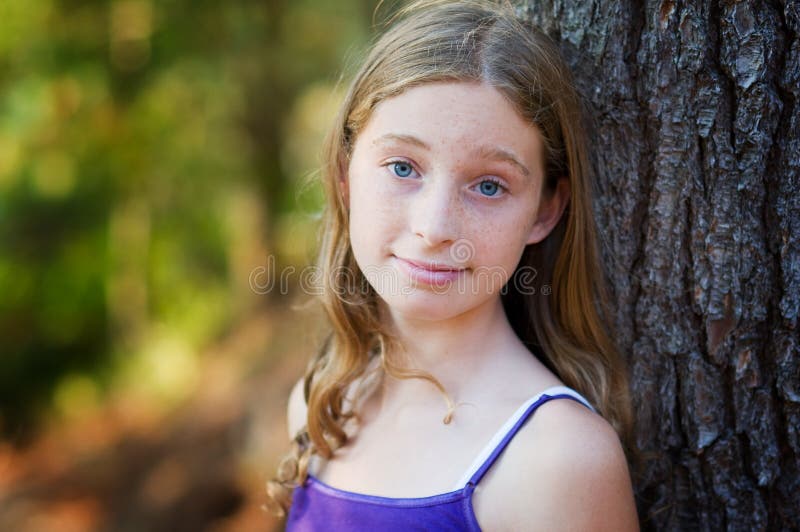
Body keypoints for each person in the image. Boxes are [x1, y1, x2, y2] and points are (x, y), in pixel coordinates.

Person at [266, 0, 639, 529]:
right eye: (402, 167)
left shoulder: (558, 461)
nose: (435, 225)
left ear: (546, 209)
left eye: (489, 185)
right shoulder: (321, 406)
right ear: (346, 177)